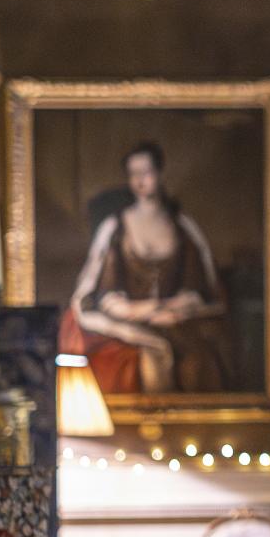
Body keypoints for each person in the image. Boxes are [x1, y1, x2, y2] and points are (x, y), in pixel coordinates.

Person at [61, 142, 230, 395]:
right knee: (150, 355)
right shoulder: (115, 227)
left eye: (146, 172)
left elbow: (200, 287)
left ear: (160, 174)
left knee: (198, 362)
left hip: (178, 320)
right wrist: (144, 310)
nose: (140, 180)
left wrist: (173, 309)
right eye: (133, 174)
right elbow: (101, 292)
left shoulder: (182, 227)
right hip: (128, 320)